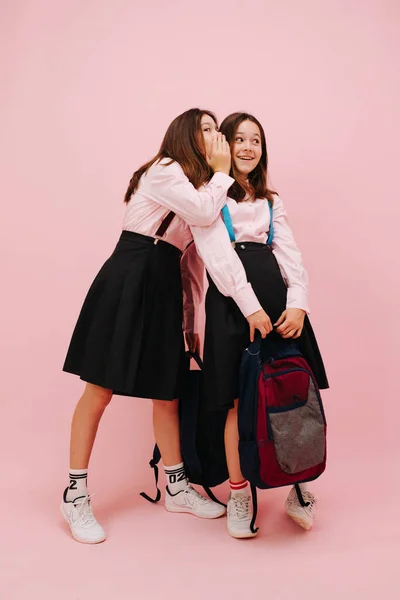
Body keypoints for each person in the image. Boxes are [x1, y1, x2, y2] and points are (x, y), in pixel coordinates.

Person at [61, 108, 269, 544]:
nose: (216, 135)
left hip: (165, 283)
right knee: (99, 389)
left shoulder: (201, 187)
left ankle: (175, 485)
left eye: (217, 130)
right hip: (131, 274)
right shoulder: (166, 170)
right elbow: (202, 208)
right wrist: (220, 172)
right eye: (207, 128)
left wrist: (191, 321)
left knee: (168, 390)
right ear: (185, 134)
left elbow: (193, 261)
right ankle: (75, 492)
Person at [190, 112, 329, 539]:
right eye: (239, 139)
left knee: (290, 393)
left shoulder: (272, 199)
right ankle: (238, 494)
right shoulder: (207, 196)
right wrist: (250, 308)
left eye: (256, 140)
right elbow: (218, 257)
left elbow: (289, 253)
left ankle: (298, 485)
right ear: (223, 146)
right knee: (237, 401)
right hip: (234, 306)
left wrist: (298, 304)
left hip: (278, 302)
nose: (249, 147)